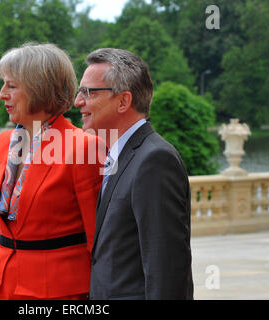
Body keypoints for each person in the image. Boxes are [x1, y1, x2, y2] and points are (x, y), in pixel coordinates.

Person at [0, 43, 104, 300]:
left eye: (11, 86)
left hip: (56, 292)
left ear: (40, 88)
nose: (2, 94)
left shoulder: (84, 147)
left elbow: (98, 241)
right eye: (3, 84)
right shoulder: (1, 144)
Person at [75, 48, 194, 300]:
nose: (78, 101)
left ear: (123, 101)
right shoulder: (119, 154)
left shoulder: (155, 160)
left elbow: (167, 267)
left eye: (88, 92)